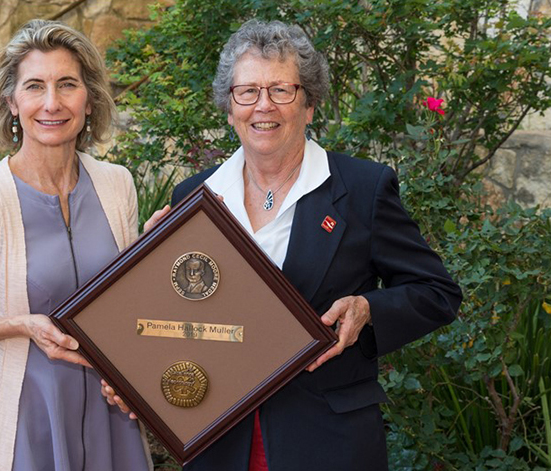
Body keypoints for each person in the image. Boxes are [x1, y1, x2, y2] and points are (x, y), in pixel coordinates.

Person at [109, 20, 462, 470]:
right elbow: (174, 318)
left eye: (281, 89)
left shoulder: (361, 188)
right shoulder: (192, 198)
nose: (263, 106)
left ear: (310, 103)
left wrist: (368, 309)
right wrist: (149, 266)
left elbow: (436, 293)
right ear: (229, 105)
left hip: (326, 440)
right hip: (216, 438)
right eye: (248, 91)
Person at [0, 19, 152, 471]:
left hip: (111, 422)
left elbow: (123, 306)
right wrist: (21, 325)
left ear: (90, 99)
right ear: (12, 102)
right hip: (24, 430)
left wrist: (157, 253)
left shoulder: (117, 186)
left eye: (67, 85)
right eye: (35, 86)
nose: (52, 103)